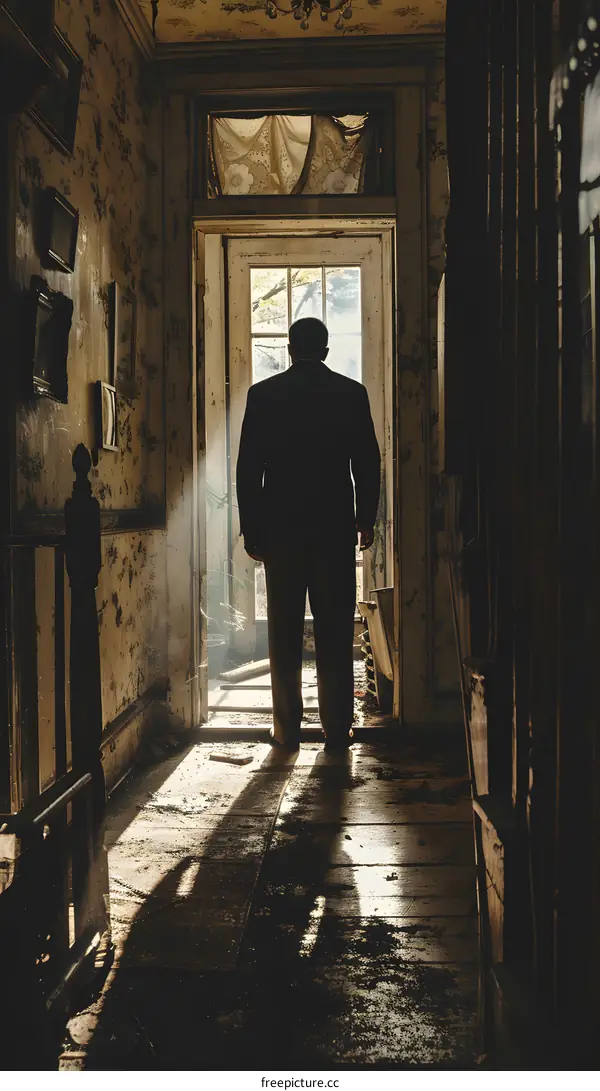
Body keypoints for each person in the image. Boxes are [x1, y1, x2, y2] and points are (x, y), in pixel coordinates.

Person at [236, 316, 380, 751]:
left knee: (283, 631)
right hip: (333, 527)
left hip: (281, 529)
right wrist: (365, 519)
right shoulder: (351, 394)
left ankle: (286, 730)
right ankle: (337, 728)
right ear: (326, 350)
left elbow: (249, 469)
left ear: (290, 349)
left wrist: (252, 529)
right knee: (334, 630)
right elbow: (367, 462)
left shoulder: (264, 395)